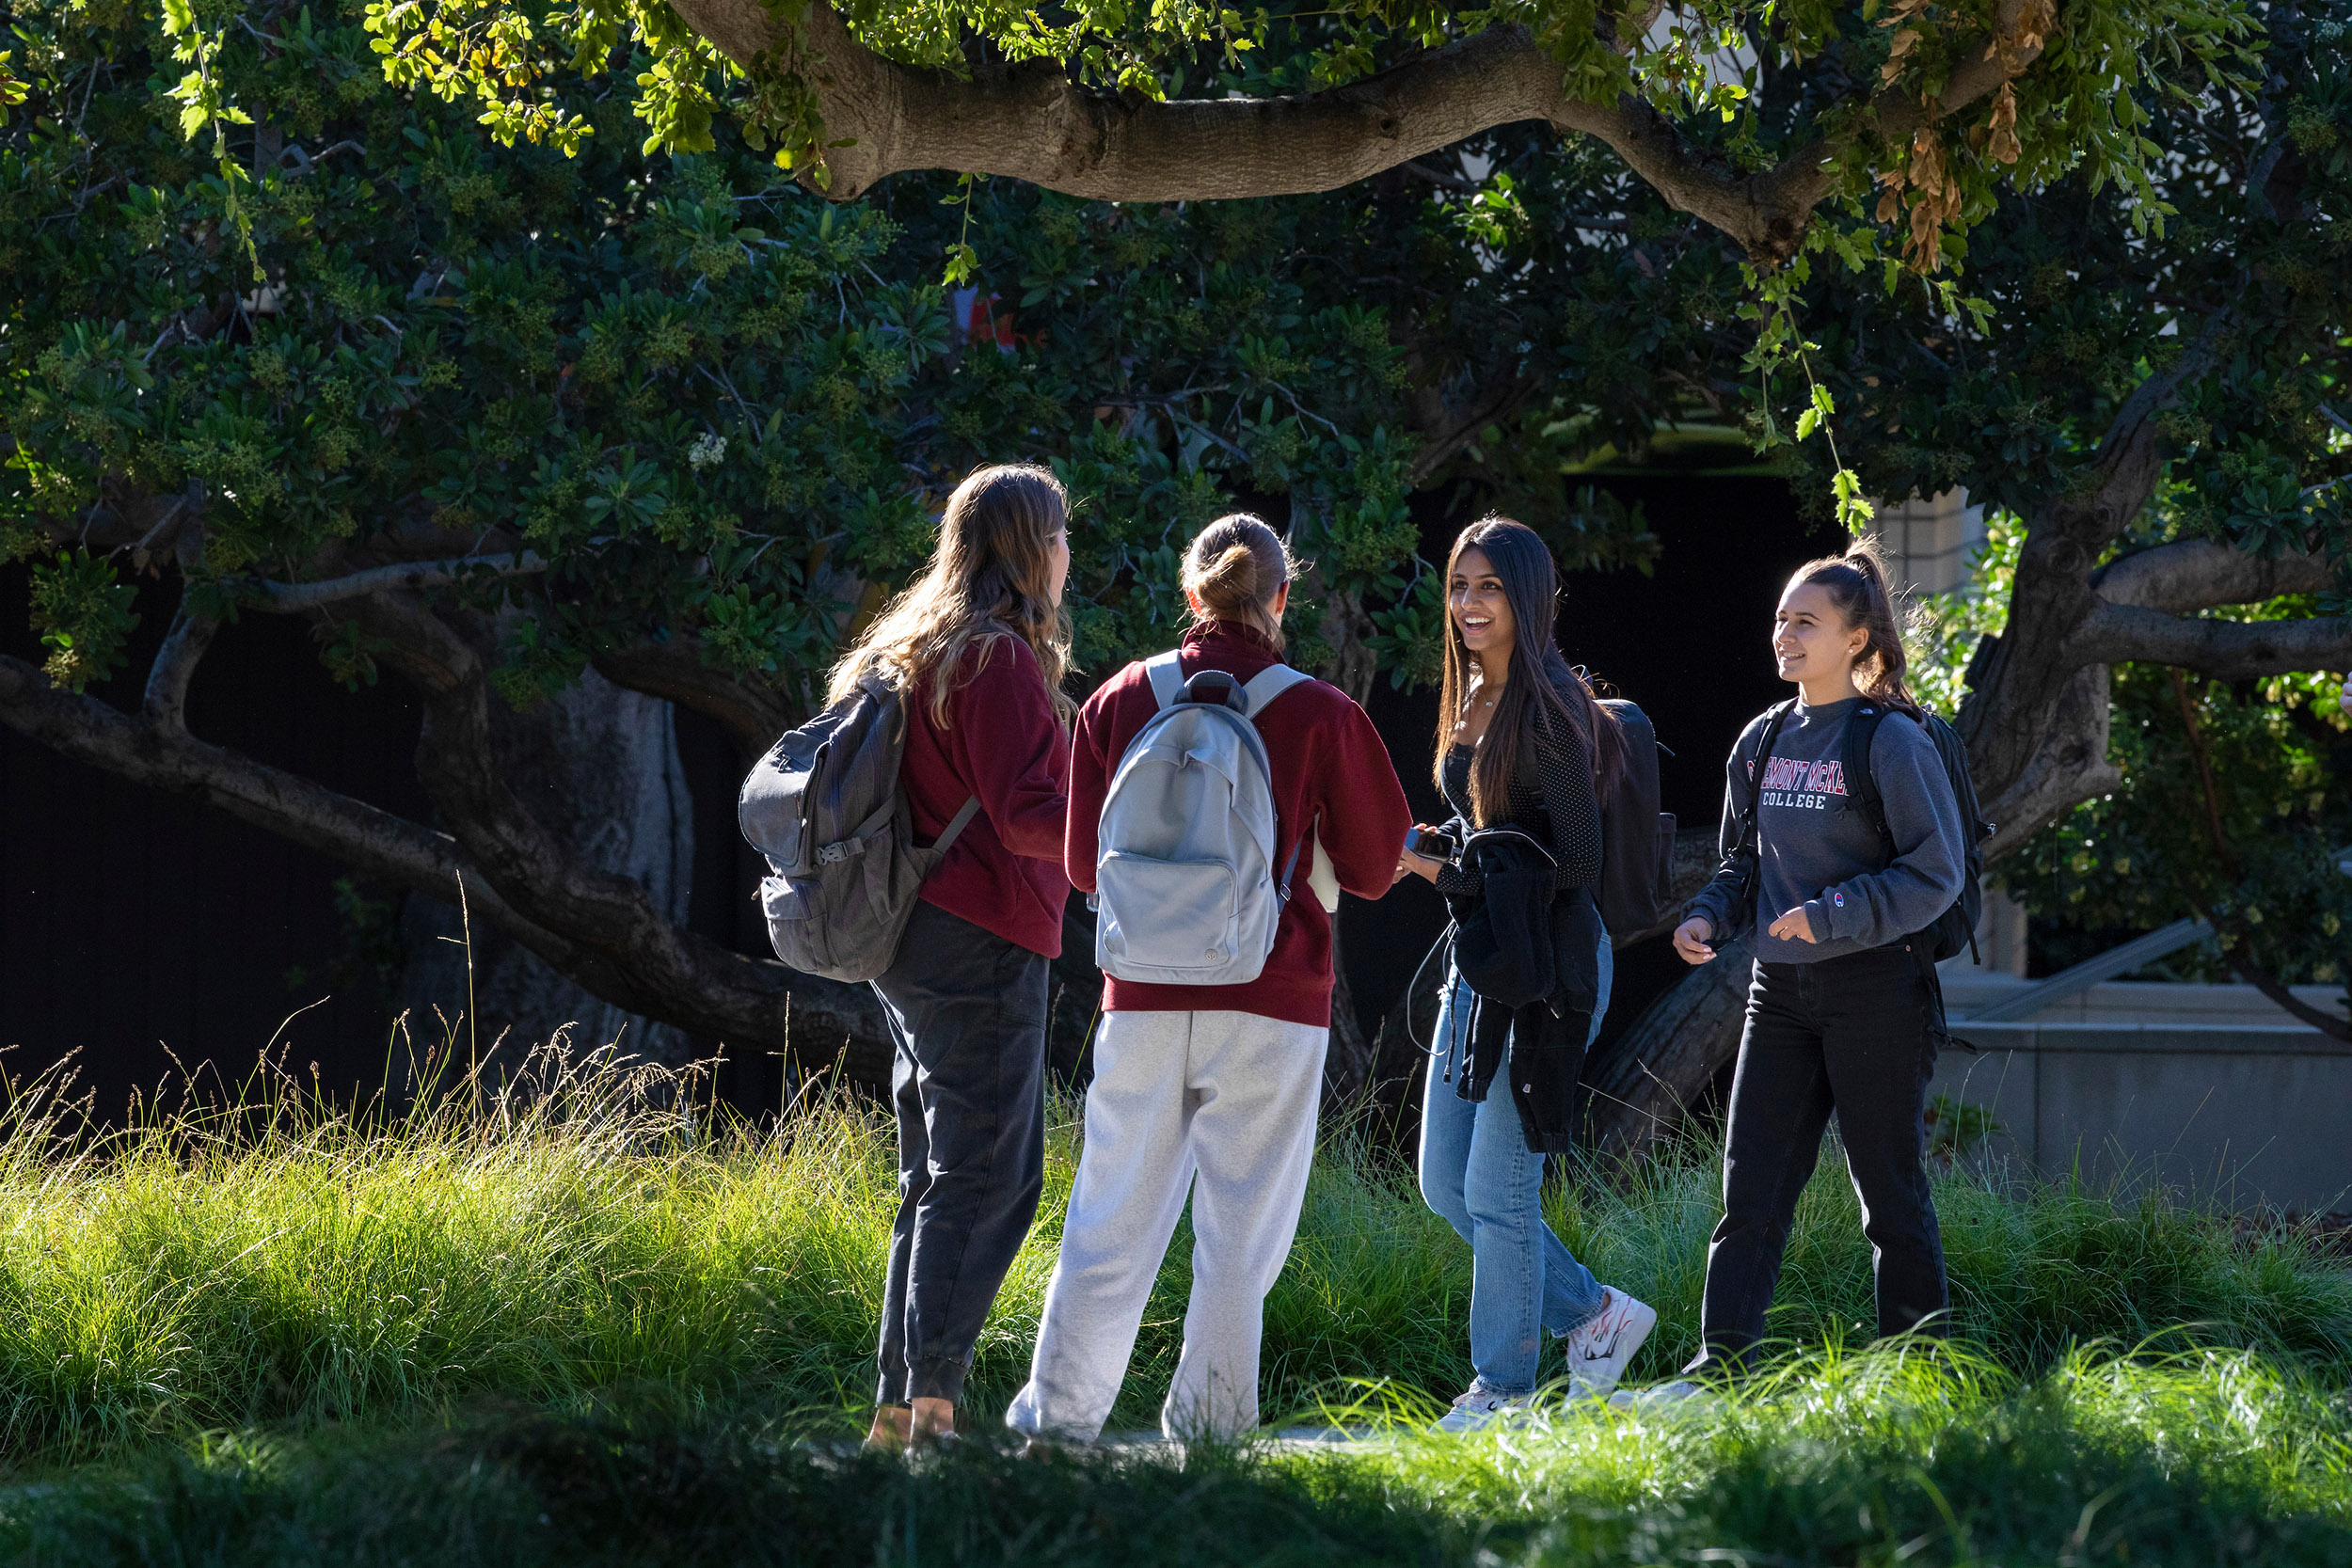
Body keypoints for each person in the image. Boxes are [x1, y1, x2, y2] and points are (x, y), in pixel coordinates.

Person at [1006, 514, 1413, 1443]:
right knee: (1239, 1232)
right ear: (1281, 597)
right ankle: (1212, 1429)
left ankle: (1056, 1421)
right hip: (1273, 997)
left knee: (1110, 1212)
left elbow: (1079, 866)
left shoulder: (1117, 697)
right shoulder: (1319, 711)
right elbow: (1373, 867)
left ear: (1189, 594)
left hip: (1140, 995)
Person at [1642, 541, 1965, 1402]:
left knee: (1889, 1196)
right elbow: (1740, 862)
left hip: (1877, 994)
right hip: (1777, 993)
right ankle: (1722, 1372)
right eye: (1782, 618)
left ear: (1858, 640)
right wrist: (1708, 913)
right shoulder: (1762, 739)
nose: (1785, 633)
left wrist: (1831, 915)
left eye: (1807, 622)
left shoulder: (1891, 741)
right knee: (1749, 1193)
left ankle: (1918, 1376)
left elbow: (1937, 873)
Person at [829, 464, 1075, 1449]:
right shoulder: (997, 660)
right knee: (989, 1176)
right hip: (983, 937)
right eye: (1058, 537)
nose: (1066, 557)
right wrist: (1122, 828)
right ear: (1025, 548)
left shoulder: (903, 647)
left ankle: (898, 1411)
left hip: (912, 941)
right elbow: (1026, 817)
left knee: (933, 1173)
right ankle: (933, 1408)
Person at [1395, 516, 1658, 1432]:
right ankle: (1593, 1312)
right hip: (1486, 962)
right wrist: (1438, 850)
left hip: (1550, 969)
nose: (1468, 603)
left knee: (1497, 1188)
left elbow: (1575, 865)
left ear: (1529, 596)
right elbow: (1498, 834)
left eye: (1489, 587)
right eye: (1459, 585)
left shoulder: (1545, 707)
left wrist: (1439, 869)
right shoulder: (1472, 693)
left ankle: (1502, 1388)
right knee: (1442, 1181)